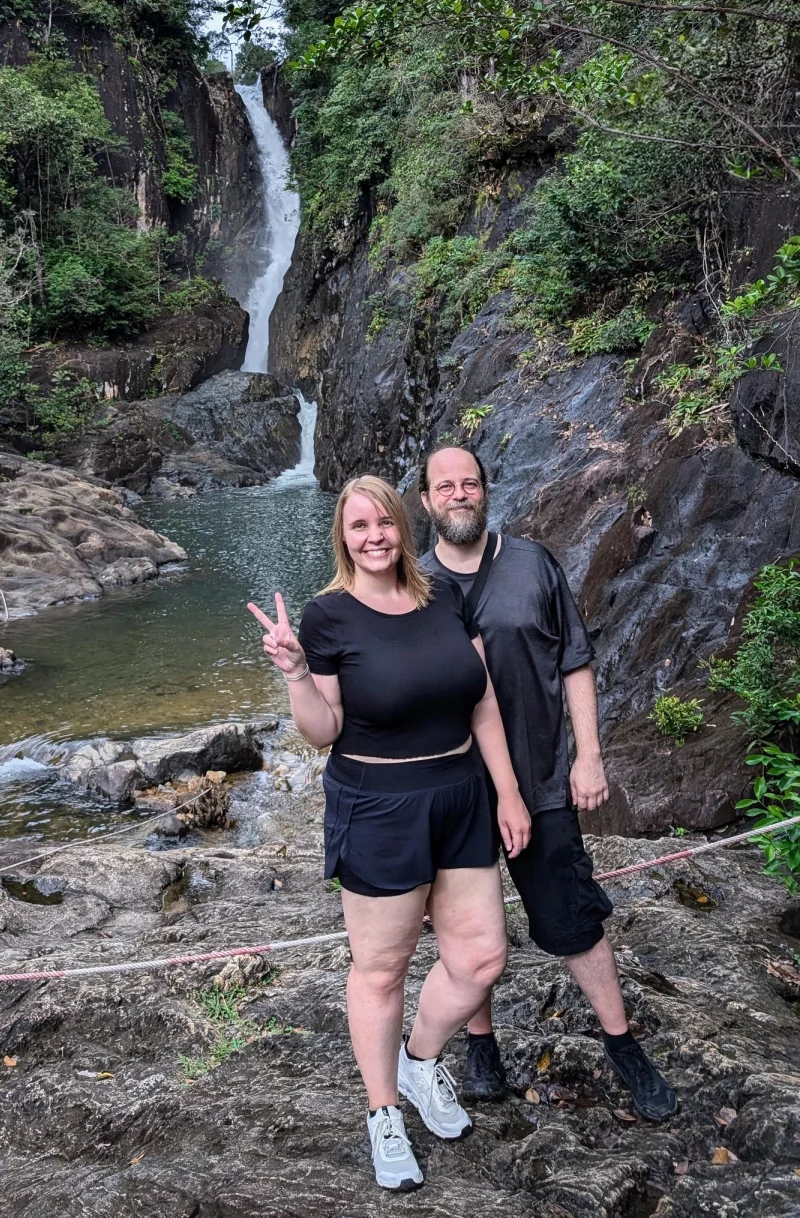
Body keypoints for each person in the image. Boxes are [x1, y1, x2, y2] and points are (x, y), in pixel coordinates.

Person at [249, 474, 531, 1191]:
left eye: (384, 523)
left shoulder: (444, 595)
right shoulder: (328, 617)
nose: (373, 537)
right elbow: (322, 733)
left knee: (481, 958)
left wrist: (508, 793)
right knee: (381, 970)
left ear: (405, 527)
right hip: (379, 806)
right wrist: (295, 673)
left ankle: (420, 1058)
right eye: (357, 527)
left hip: (461, 796)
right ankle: (383, 1113)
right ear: (342, 538)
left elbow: (484, 701)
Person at [418, 445, 677, 1121]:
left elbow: (576, 662)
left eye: (469, 482)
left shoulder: (532, 564)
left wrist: (588, 754)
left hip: (540, 781)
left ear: (485, 491)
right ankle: (481, 1046)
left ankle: (622, 1045)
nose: (459, 494)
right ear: (424, 501)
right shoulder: (414, 588)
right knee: (465, 933)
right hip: (454, 792)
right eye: (444, 486)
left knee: (575, 919)